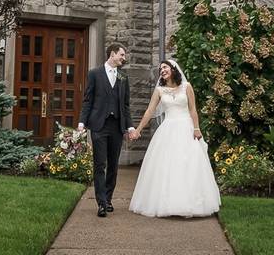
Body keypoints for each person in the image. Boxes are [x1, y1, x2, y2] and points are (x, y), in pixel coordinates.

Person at [127, 59, 221, 217]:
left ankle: (191, 203)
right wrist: (138, 130)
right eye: (160, 69)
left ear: (173, 69)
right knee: (168, 165)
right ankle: (167, 203)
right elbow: (150, 111)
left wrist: (197, 128)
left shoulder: (187, 87)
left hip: (186, 128)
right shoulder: (159, 91)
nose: (162, 70)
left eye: (165, 67)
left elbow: (193, 109)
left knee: (188, 164)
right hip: (168, 129)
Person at [77, 43, 136, 218]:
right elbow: (88, 100)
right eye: (122, 55)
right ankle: (101, 203)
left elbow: (125, 105)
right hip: (99, 126)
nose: (124, 58)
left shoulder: (124, 78)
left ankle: (108, 198)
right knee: (99, 164)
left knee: (113, 166)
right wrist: (82, 122)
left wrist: (130, 126)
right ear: (112, 54)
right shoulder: (95, 73)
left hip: (116, 127)